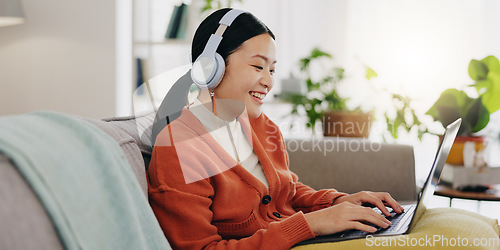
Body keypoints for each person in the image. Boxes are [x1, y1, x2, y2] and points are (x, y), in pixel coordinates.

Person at [147, 8, 404, 250]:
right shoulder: (177, 148)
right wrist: (309, 224)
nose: (269, 81)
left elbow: (287, 190)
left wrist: (336, 202)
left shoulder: (262, 126)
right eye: (258, 66)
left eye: (272, 69)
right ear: (209, 68)